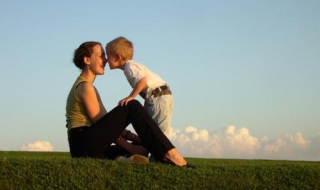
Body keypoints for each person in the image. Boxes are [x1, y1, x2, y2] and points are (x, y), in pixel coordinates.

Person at [66, 41, 195, 168]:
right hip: (84, 143)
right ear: (87, 60)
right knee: (131, 105)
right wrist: (130, 146)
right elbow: (99, 121)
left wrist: (135, 139)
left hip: (87, 147)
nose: (105, 60)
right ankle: (171, 155)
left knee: (141, 149)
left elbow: (106, 125)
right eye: (101, 56)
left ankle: (124, 159)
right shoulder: (85, 87)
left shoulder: (87, 87)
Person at [105, 37, 173, 137]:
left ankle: (163, 152)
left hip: (158, 97)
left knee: (158, 133)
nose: (106, 59)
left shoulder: (129, 67)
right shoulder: (131, 66)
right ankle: (158, 151)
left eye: (108, 55)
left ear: (118, 57)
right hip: (159, 95)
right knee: (155, 129)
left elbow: (142, 81)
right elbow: (146, 87)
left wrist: (131, 97)